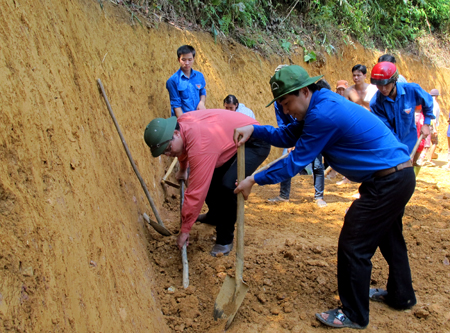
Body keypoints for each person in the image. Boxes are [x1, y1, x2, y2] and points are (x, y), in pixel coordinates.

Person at [234, 65, 417, 329]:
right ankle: (402, 296)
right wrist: (255, 129)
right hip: (394, 177)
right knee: (390, 238)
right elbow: (287, 134)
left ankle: (354, 314)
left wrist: (254, 179)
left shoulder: (323, 114)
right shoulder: (319, 106)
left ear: (305, 92)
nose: (285, 111)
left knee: (354, 243)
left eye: (286, 103)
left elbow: (294, 162)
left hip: (389, 180)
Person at [143, 110, 270, 257]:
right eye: (164, 153)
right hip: (230, 140)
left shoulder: (200, 145)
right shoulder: (182, 125)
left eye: (168, 149)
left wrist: (185, 230)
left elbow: (196, 192)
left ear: (176, 133)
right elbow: (182, 149)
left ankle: (225, 240)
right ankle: (214, 216)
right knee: (211, 179)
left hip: (254, 141)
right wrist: (183, 169)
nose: (168, 154)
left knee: (228, 186)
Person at [370, 62, 434, 154]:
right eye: (379, 85)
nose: (383, 89)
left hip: (411, 143)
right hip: (391, 146)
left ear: (395, 80)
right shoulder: (376, 104)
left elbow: (428, 103)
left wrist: (426, 124)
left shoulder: (412, 90)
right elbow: (387, 130)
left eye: (386, 84)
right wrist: (400, 151)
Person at [166, 45, 207, 117]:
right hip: (183, 121)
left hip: (198, 118)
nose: (187, 63)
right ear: (179, 59)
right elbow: (176, 105)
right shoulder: (173, 81)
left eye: (190, 60)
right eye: (184, 60)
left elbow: (202, 91)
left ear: (194, 59)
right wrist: (184, 124)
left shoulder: (199, 76)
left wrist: (201, 102)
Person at [421, 89, 441, 166]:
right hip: (431, 125)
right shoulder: (435, 104)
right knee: (434, 142)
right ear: (436, 96)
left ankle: (423, 159)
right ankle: (428, 159)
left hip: (426, 124)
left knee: (425, 143)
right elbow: (434, 117)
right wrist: (435, 129)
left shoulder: (428, 102)